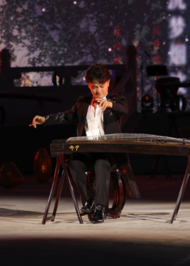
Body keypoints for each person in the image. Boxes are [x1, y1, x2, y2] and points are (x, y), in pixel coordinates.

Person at [30, 64, 130, 223]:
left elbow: (124, 109)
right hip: (87, 152)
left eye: (101, 86)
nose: (98, 90)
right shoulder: (83, 102)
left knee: (101, 163)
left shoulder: (117, 100)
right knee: (74, 163)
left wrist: (109, 104)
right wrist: (45, 120)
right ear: (89, 85)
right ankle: (90, 200)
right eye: (94, 87)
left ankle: (100, 207)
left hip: (108, 154)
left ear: (108, 83)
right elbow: (66, 116)